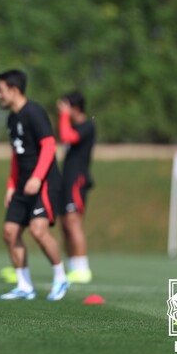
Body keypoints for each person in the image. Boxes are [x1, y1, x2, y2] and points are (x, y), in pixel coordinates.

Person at [0, 69, 69, 301]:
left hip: (44, 181)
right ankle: (24, 286)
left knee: (38, 231)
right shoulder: (11, 118)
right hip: (22, 184)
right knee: (10, 232)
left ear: (14, 90)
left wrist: (37, 178)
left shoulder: (34, 112)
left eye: (1, 90)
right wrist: (10, 184)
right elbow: (16, 155)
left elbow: (49, 146)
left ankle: (60, 278)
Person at [57, 91, 95, 284]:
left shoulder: (87, 125)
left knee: (73, 222)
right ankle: (73, 267)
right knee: (64, 224)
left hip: (77, 181)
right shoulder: (74, 125)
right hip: (66, 180)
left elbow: (66, 136)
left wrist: (63, 116)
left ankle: (83, 269)